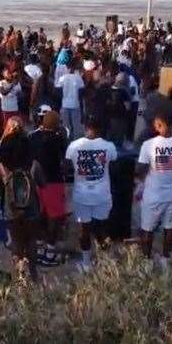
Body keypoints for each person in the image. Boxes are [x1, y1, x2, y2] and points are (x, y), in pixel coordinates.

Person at [136, 113, 172, 269]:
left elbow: (141, 169)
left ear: (158, 125)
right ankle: (165, 260)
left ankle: (146, 263)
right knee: (169, 228)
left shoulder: (148, 144)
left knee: (147, 229)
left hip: (153, 194)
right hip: (171, 195)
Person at [65, 116, 118, 273]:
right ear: (101, 128)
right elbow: (113, 165)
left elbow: (67, 168)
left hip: (82, 195)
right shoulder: (109, 146)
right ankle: (105, 262)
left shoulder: (74, 146)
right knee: (102, 229)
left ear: (85, 126)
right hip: (102, 194)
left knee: (84, 229)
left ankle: (86, 264)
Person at [0, 118, 42, 281]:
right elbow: (36, 167)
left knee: (16, 240)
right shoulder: (28, 143)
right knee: (31, 238)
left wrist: (6, 178)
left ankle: (20, 275)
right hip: (29, 194)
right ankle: (34, 273)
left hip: (11, 196)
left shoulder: (5, 144)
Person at [28, 110, 67, 266]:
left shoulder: (32, 137)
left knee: (39, 215)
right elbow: (64, 161)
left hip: (36, 182)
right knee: (54, 217)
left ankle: (38, 249)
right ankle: (50, 252)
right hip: (54, 182)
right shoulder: (58, 139)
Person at [55, 58, 85, 141]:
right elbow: (81, 94)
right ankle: (75, 144)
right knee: (76, 127)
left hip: (65, 104)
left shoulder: (62, 78)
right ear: (74, 67)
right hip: (75, 104)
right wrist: (82, 108)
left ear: (67, 67)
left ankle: (66, 143)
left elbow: (58, 92)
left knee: (66, 127)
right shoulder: (78, 78)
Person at [0, 67, 22, 136]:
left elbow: (20, 95)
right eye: (7, 73)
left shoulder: (17, 83)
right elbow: (3, 93)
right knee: (5, 128)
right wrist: (12, 85)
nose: (9, 74)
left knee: (14, 128)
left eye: (10, 73)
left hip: (14, 109)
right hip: (5, 110)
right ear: (3, 74)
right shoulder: (0, 83)